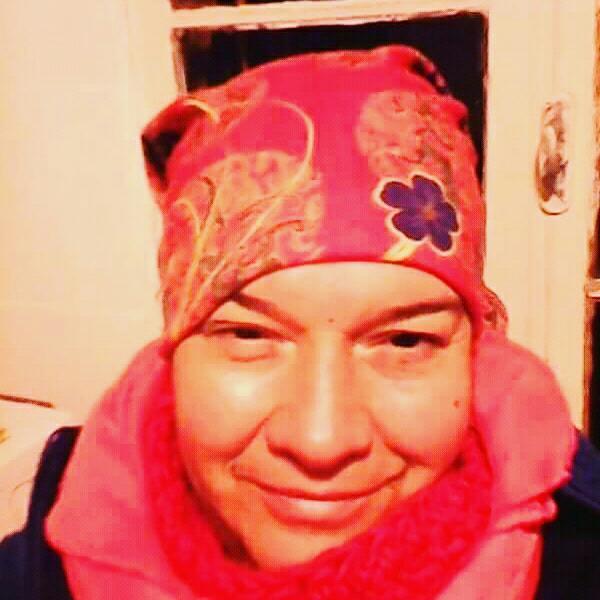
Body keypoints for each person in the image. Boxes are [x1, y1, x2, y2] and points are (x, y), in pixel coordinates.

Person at [2, 45, 600, 600]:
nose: (321, 441)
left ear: (472, 350)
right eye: (249, 335)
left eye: (405, 339)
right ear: (176, 348)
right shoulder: (34, 574)